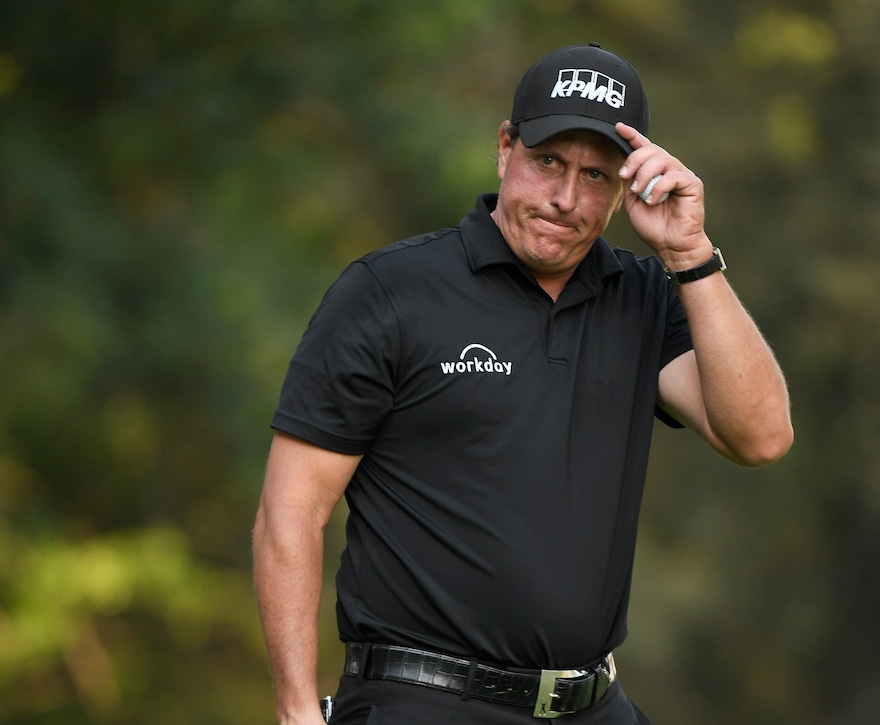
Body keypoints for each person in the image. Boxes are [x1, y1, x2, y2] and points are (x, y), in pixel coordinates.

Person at [252, 42, 793, 724]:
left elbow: (761, 435)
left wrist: (690, 254)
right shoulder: (390, 293)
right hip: (421, 702)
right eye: (548, 163)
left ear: (627, 187)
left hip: (594, 704)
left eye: (596, 175)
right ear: (505, 148)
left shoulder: (645, 297)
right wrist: (298, 712)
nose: (566, 199)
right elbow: (290, 510)